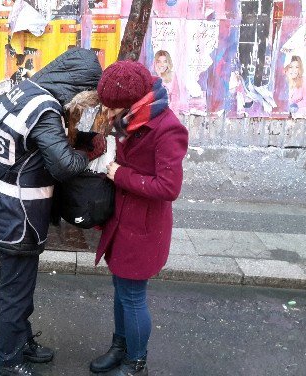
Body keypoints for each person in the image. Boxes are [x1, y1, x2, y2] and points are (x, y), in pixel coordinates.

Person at [0, 48, 103, 376]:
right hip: (18, 216)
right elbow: (63, 165)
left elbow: (33, 143)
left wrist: (82, 133)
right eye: (85, 95)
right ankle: (8, 362)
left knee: (20, 287)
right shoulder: (45, 109)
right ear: (78, 85)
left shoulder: (25, 90)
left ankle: (20, 342)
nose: (82, 102)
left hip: (2, 206)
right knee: (14, 293)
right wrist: (89, 154)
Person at [89, 61, 189, 376]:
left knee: (132, 296)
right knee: (121, 289)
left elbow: (169, 187)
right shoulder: (130, 117)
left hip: (143, 228)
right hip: (120, 221)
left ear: (131, 103)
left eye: (111, 107)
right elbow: (111, 147)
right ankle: (121, 348)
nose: (107, 111)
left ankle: (137, 362)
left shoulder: (167, 128)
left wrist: (120, 174)